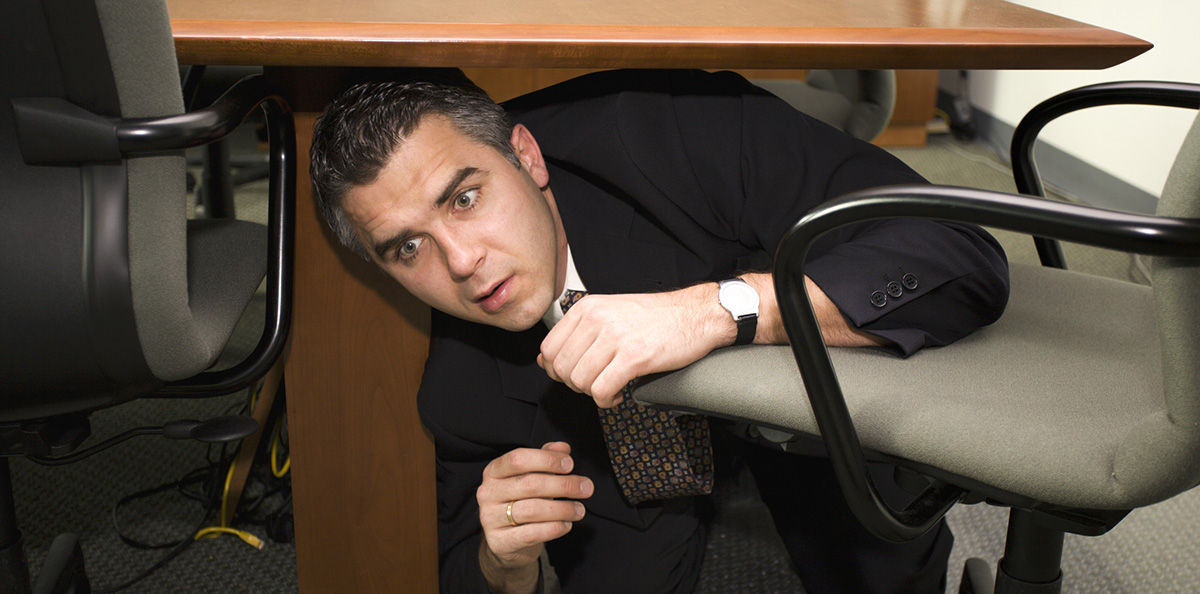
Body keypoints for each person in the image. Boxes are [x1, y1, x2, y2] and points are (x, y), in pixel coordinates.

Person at [308, 68, 1010, 594]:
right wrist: (506, 560)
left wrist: (715, 311)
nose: (461, 263)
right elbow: (466, 567)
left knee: (877, 570)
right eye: (407, 247)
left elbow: (960, 255)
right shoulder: (464, 389)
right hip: (616, 454)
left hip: (802, 384)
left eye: (465, 198)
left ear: (526, 156)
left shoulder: (678, 131)